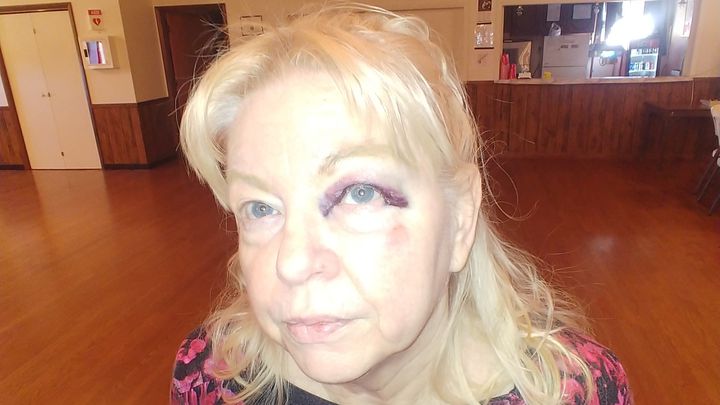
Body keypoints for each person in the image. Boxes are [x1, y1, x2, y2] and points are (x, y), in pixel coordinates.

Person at [172, 3, 632, 404]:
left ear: (460, 218)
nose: (290, 264)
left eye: (360, 193)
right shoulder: (212, 377)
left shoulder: (578, 392)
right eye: (260, 207)